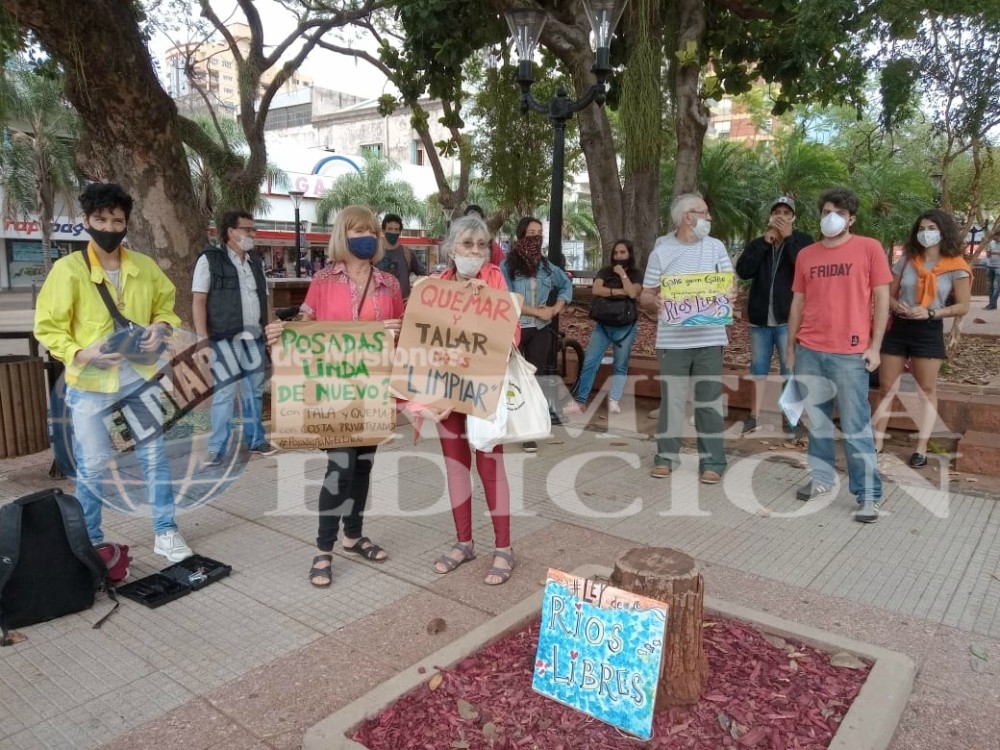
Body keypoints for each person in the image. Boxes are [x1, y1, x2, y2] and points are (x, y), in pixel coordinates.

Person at [34, 183, 192, 562]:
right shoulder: (68, 271)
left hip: (140, 378)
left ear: (126, 223)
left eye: (117, 220)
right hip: (90, 384)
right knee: (92, 464)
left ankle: (166, 530)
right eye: (101, 219)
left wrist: (162, 328)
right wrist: (80, 353)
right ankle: (90, 540)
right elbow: (48, 327)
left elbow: (166, 308)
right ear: (86, 221)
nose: (109, 227)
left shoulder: (145, 267)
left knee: (154, 456)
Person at [264, 205, 404, 587]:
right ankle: (323, 549)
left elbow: (403, 335)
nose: (367, 236)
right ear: (343, 234)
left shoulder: (389, 284)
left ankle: (353, 536)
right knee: (340, 468)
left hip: (373, 390)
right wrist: (282, 333)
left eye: (372, 230)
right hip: (333, 390)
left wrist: (395, 331)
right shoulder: (324, 280)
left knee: (363, 466)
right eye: (358, 230)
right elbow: (306, 324)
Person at [416, 215, 518, 585]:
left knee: (490, 467)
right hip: (446, 392)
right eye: (467, 244)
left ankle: (504, 548)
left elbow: (512, 336)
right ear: (451, 249)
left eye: (481, 244)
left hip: (482, 387)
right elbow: (423, 340)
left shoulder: (495, 279)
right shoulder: (436, 286)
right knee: (456, 468)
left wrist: (483, 304)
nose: (475, 251)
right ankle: (464, 543)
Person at [787, 187, 892, 523]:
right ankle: (821, 478)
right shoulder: (807, 254)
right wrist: (791, 346)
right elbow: (798, 301)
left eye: (840, 213)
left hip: (850, 353)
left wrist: (875, 346)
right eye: (826, 211)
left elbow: (881, 298)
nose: (831, 217)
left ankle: (868, 494)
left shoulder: (869, 248)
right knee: (816, 420)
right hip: (810, 349)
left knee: (855, 425)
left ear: (851, 219)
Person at [639, 193, 732, 484]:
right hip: (672, 342)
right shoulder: (661, 252)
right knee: (672, 402)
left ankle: (713, 462)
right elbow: (645, 295)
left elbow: (730, 286)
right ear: (687, 217)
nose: (709, 217)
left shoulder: (716, 247)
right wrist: (655, 302)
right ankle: (665, 458)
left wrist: (730, 295)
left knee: (709, 402)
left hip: (710, 339)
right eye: (704, 212)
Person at [873, 210, 971, 467]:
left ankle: (921, 448)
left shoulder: (956, 265)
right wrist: (896, 306)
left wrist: (931, 312)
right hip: (899, 326)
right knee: (887, 387)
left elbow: (963, 306)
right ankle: (877, 441)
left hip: (928, 328)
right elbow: (887, 294)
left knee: (926, 390)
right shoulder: (907, 260)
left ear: (943, 231)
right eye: (922, 228)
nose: (926, 233)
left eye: (932, 228)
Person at [192, 210, 275, 466]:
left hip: (255, 339)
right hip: (225, 339)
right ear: (230, 231)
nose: (252, 234)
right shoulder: (210, 260)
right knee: (225, 394)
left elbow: (264, 299)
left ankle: (256, 440)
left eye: (253, 229)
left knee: (254, 392)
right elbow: (199, 300)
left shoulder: (255, 262)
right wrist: (202, 340)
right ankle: (217, 448)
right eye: (247, 229)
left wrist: (269, 330)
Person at [734, 196, 814, 435]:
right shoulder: (760, 243)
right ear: (770, 217)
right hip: (760, 320)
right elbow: (743, 271)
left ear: (793, 218)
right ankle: (753, 416)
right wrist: (763, 243)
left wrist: (788, 239)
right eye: (777, 212)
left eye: (786, 213)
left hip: (787, 320)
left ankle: (792, 420)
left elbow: (805, 270)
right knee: (758, 368)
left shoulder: (803, 241)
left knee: (790, 369)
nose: (781, 216)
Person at [500, 216, 574, 452]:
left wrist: (555, 308)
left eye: (539, 233)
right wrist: (537, 312)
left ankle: (529, 431)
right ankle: (503, 422)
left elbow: (566, 285)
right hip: (515, 328)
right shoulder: (506, 266)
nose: (536, 238)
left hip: (541, 329)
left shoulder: (547, 267)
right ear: (521, 236)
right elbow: (508, 299)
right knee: (508, 377)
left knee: (535, 378)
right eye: (531, 233)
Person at [564, 239, 642, 415]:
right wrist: (618, 292)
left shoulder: (636, 274)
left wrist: (622, 274)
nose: (619, 256)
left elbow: (633, 292)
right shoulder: (605, 271)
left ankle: (614, 399)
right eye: (616, 253)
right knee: (590, 362)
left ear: (629, 254)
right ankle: (580, 400)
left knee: (620, 363)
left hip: (625, 327)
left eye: (622, 252)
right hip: (603, 325)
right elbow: (596, 290)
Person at [377, 213, 426, 301]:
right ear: (383, 231)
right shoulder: (375, 253)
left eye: (396, 229)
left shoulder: (408, 253)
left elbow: (424, 276)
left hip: (403, 304)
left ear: (399, 232)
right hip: (381, 304)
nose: (393, 232)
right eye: (390, 229)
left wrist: (414, 295)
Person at [985, 228, 1000, 310]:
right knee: (990, 286)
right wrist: (988, 253)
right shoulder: (992, 242)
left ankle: (992, 303)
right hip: (990, 265)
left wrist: (994, 252)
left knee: (996, 286)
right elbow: (988, 255)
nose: (994, 237)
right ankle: (992, 304)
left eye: (996, 236)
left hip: (998, 267)